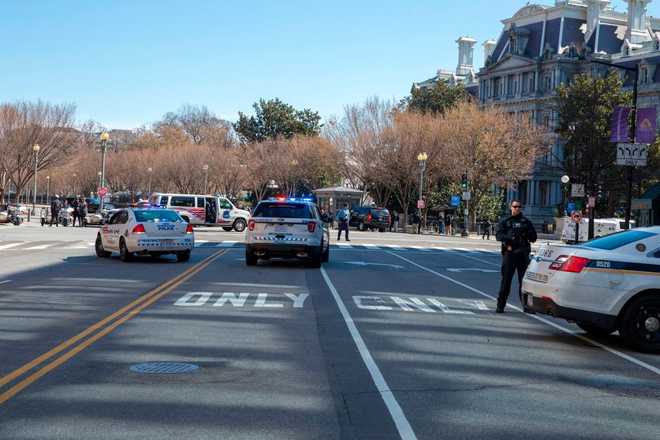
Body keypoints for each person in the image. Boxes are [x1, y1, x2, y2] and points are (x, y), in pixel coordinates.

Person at [495, 201, 537, 313]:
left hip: (522, 255)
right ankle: (500, 305)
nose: (517, 209)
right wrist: (510, 238)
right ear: (511, 207)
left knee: (524, 282)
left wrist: (527, 233)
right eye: (515, 207)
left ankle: (526, 306)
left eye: (519, 207)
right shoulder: (506, 222)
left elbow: (534, 237)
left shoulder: (526, 222)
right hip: (510, 254)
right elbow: (498, 236)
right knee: (506, 281)